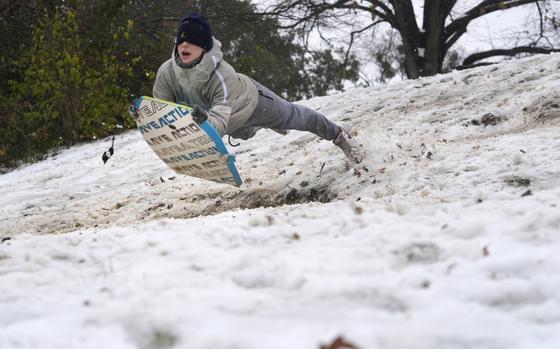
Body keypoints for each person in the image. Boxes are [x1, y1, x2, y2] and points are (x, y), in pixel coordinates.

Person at [153, 13, 364, 163]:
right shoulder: (167, 72)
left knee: (297, 117)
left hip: (252, 103)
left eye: (191, 41)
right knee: (244, 134)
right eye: (180, 42)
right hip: (232, 125)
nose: (183, 46)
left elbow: (217, 124)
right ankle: (263, 125)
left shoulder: (222, 75)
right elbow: (160, 109)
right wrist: (147, 115)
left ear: (204, 46)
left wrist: (204, 121)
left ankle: (339, 136)